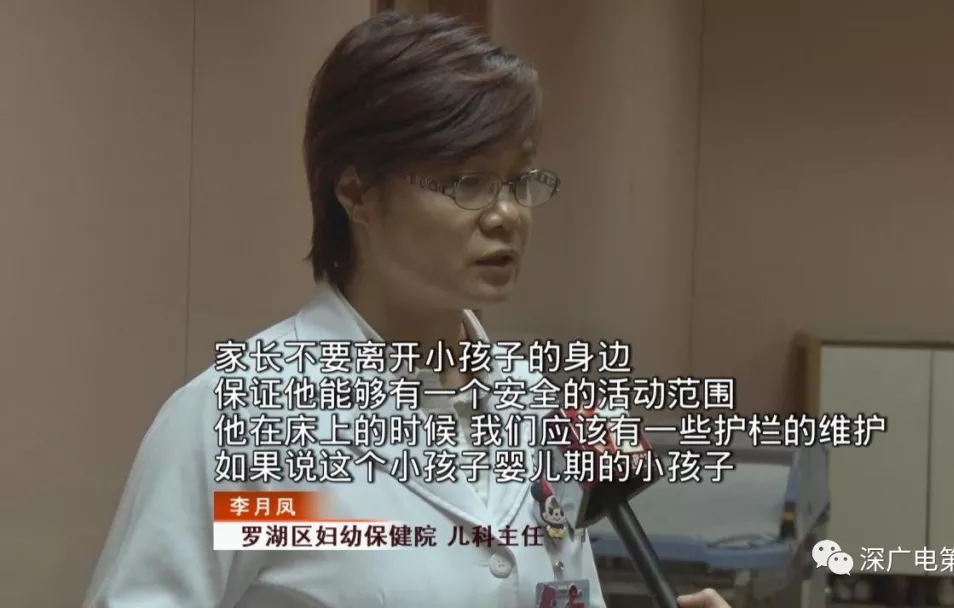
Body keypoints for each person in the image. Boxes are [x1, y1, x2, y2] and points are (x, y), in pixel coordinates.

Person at [83, 11, 730, 608]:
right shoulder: (246, 420)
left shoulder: (535, 409)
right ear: (358, 193)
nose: (506, 214)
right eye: (467, 181)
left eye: (517, 180)